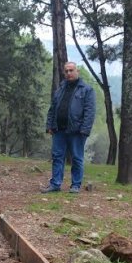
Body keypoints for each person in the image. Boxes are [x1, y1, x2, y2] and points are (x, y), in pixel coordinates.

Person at [42, 62, 96, 194]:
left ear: (77, 71)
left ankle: (76, 185)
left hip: (77, 131)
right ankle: (55, 184)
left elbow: (90, 112)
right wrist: (49, 125)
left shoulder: (87, 90)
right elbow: (53, 108)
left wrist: (85, 130)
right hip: (59, 129)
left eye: (71, 70)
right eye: (66, 71)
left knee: (77, 158)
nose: (68, 73)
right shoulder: (60, 88)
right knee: (57, 156)